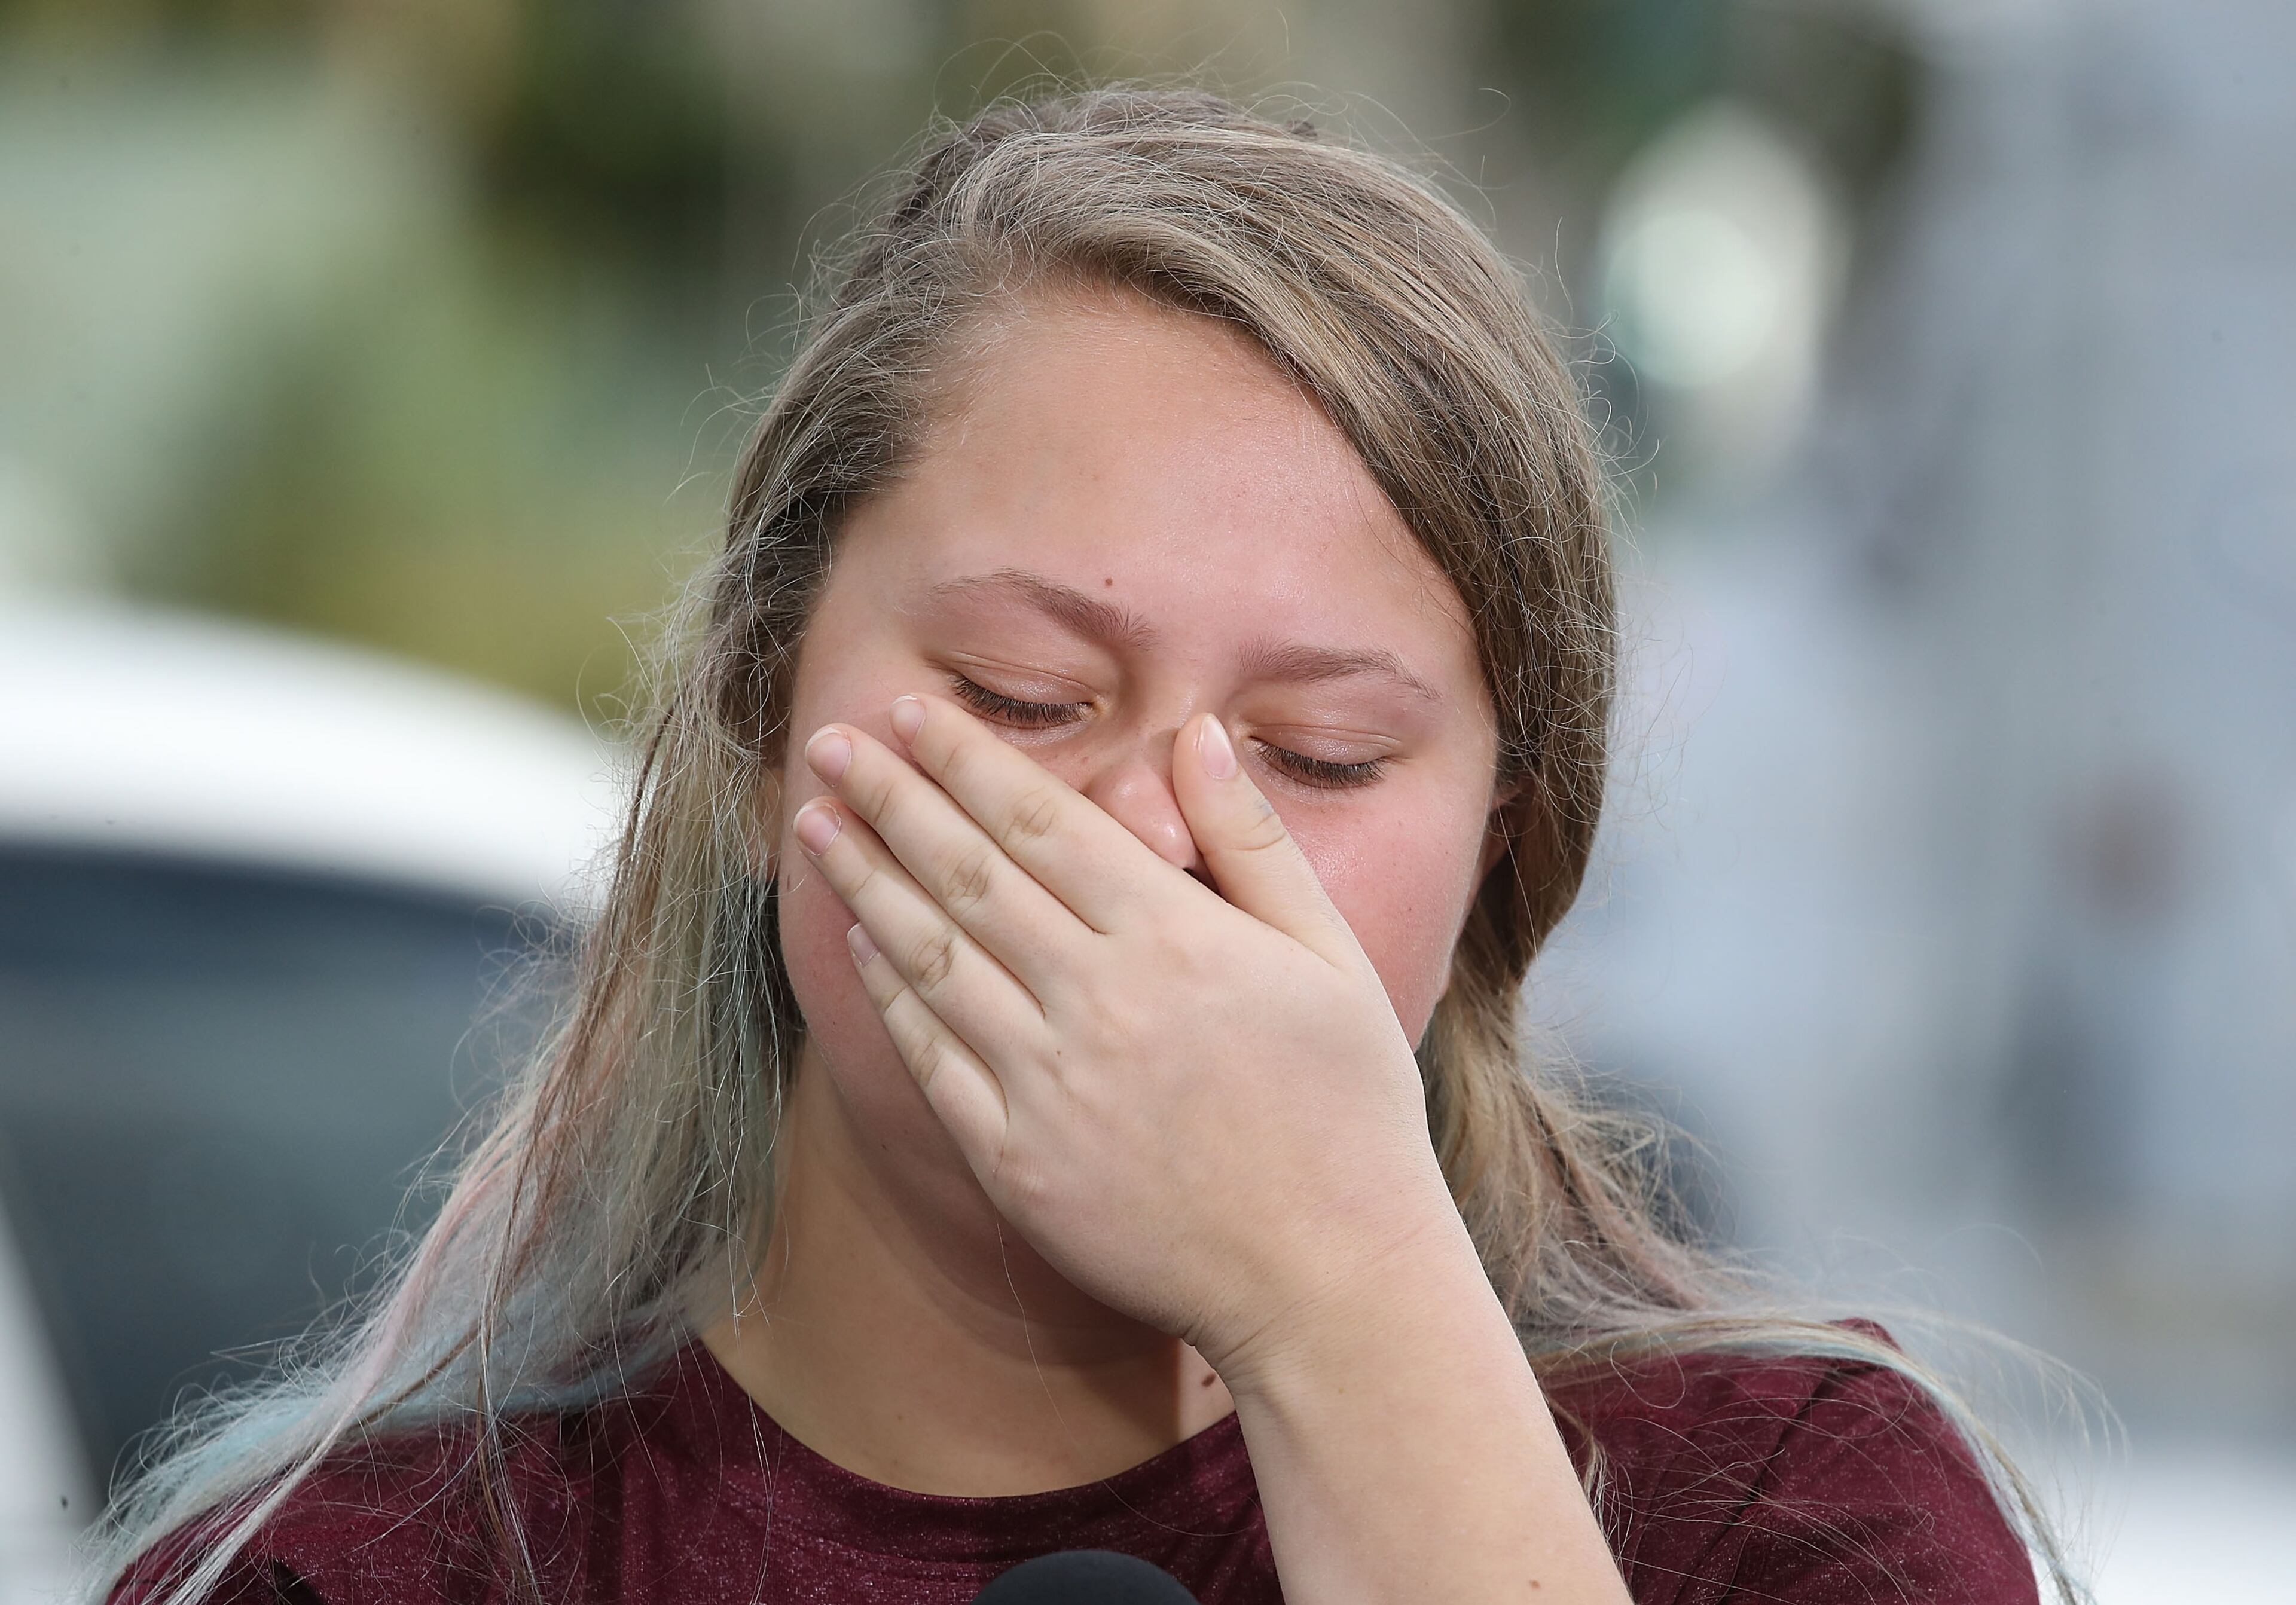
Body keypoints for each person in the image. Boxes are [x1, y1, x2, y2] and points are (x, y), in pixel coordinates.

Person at [97, 88, 2073, 1604]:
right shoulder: (346, 1571)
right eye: (1030, 696)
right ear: (765, 701)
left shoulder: (1800, 1513)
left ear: (1504, 851)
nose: (1149, 831)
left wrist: (1337, 1300)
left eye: (1314, 754)